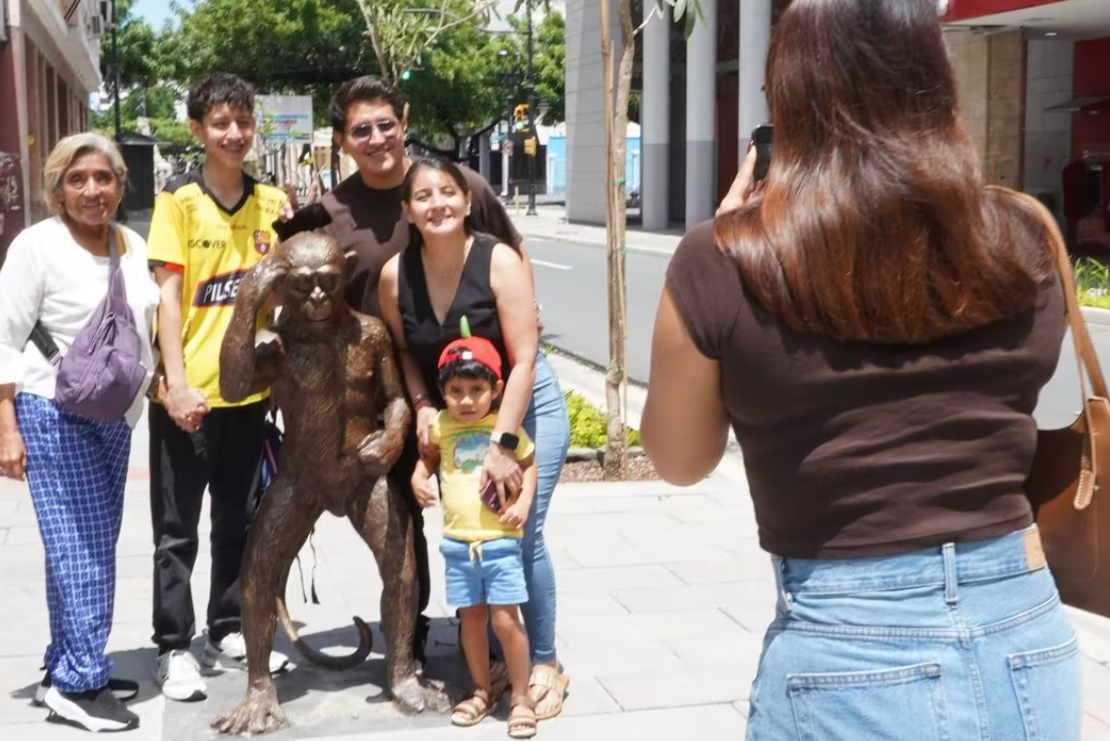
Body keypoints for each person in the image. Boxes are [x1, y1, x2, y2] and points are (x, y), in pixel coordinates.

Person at [642, 1, 1080, 739]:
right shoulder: (1025, 235)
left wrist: (728, 232)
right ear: (935, 82)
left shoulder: (723, 261)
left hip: (846, 643)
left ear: (792, 98)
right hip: (1025, 631)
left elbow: (680, 459)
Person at [379, 157, 571, 718]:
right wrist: (420, 408)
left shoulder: (499, 261)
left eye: (447, 193)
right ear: (407, 211)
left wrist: (502, 446)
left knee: (521, 531)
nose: (436, 203)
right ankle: (495, 662)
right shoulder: (396, 275)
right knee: (475, 534)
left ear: (466, 201)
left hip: (524, 406)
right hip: (461, 418)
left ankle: (545, 664)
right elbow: (403, 351)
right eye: (423, 196)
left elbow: (527, 355)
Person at [0, 133, 160, 732]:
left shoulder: (131, 242)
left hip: (114, 416)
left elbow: (148, 323)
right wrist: (6, 427)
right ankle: (79, 686)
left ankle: (64, 663)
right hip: (50, 410)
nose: (92, 190)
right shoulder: (35, 246)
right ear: (57, 189)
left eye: (104, 178)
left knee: (79, 549)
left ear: (120, 183)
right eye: (77, 179)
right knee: (83, 552)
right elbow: (4, 335)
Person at [145, 72, 288, 702]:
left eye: (243, 121)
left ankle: (226, 625)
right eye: (220, 123)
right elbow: (168, 302)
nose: (234, 133)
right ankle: (173, 646)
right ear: (197, 129)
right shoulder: (177, 202)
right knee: (177, 530)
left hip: (249, 396)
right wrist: (175, 387)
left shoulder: (273, 204)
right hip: (189, 402)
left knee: (239, 520)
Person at [411, 334, 538, 738]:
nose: (466, 401)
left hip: (499, 542)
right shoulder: (441, 426)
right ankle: (482, 689)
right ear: (442, 392)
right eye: (455, 391)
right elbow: (428, 458)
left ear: (496, 390)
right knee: (471, 619)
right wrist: (418, 476)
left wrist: (524, 504)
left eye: (476, 390)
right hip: (456, 542)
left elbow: (530, 464)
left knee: (505, 620)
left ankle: (521, 695)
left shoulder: (504, 428)